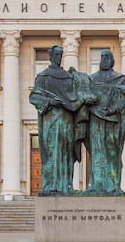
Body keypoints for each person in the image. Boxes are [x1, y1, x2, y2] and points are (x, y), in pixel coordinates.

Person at [29, 45, 95, 195]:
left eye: (60, 54)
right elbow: (34, 96)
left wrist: (77, 77)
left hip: (67, 120)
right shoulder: (43, 76)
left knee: (66, 153)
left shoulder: (68, 76)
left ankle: (66, 186)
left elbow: (76, 92)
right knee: (52, 152)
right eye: (56, 54)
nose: (58, 57)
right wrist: (50, 102)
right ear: (51, 56)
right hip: (51, 120)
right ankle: (51, 186)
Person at [86, 49, 125, 195]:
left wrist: (114, 108)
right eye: (102, 57)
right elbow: (83, 94)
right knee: (96, 152)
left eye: (107, 57)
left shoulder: (119, 78)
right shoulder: (91, 79)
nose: (104, 59)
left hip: (112, 121)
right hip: (95, 120)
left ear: (112, 60)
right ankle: (96, 185)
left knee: (112, 152)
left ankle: (114, 185)